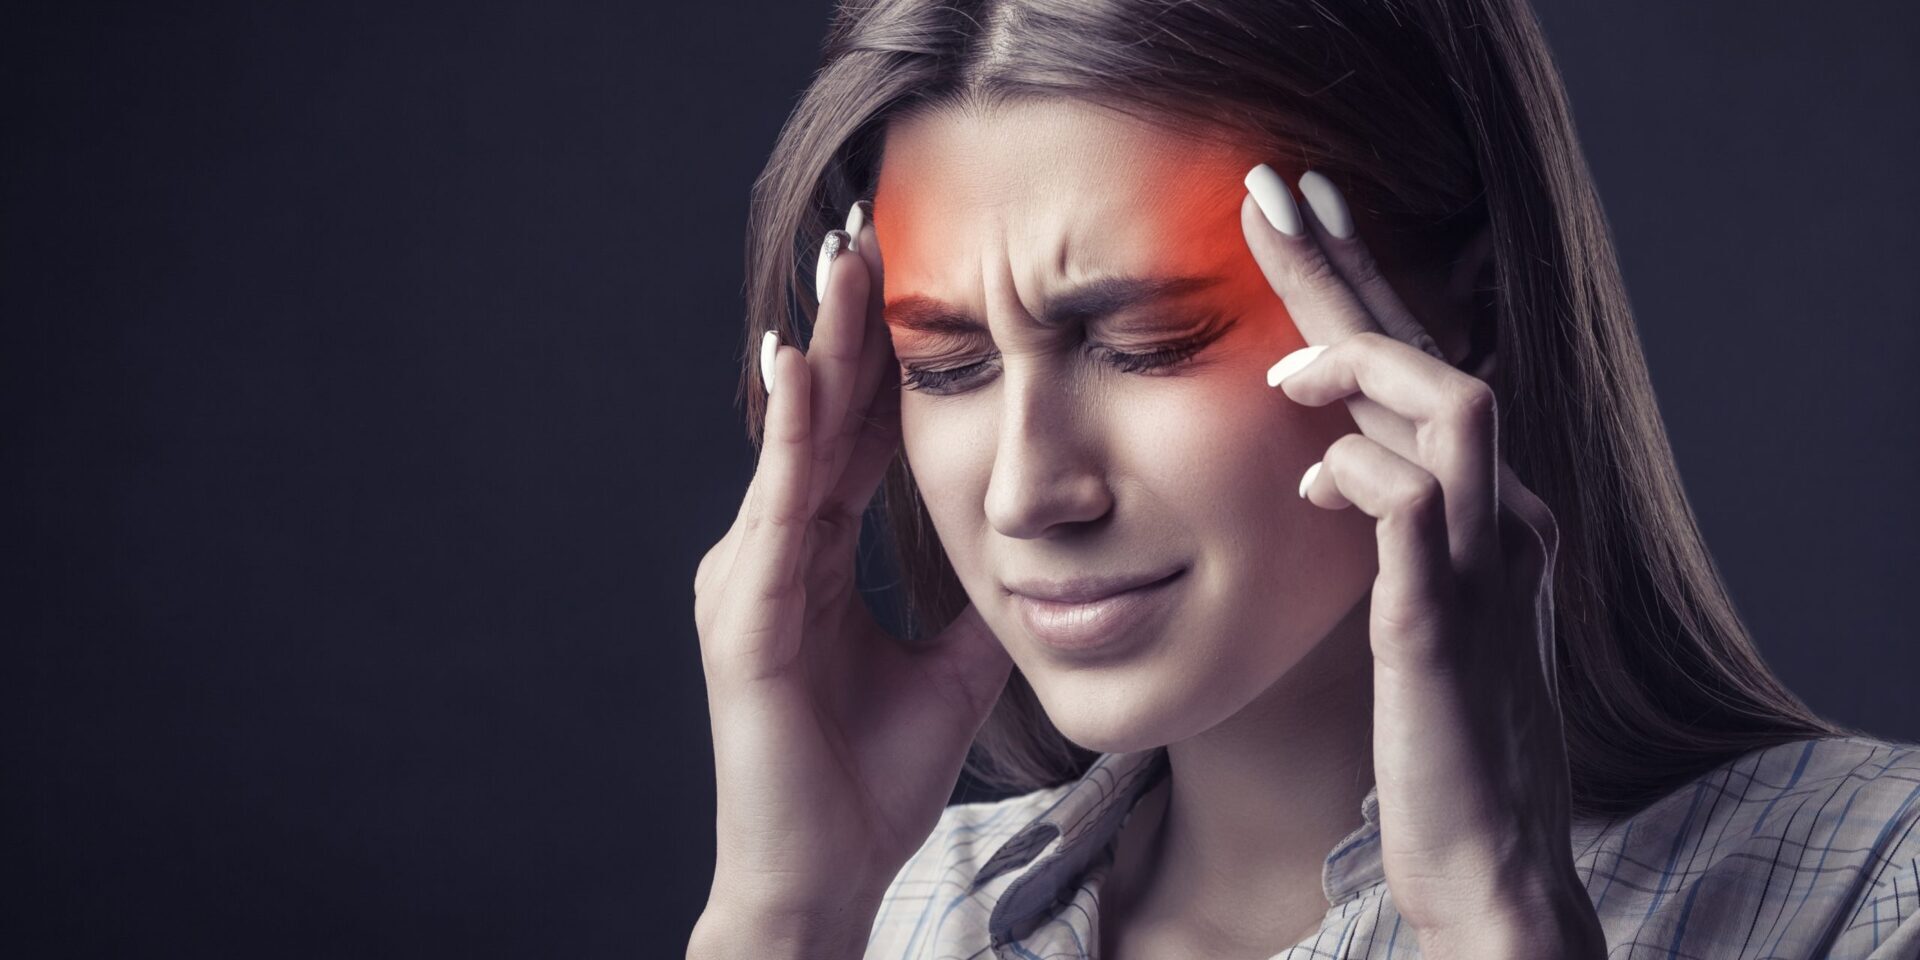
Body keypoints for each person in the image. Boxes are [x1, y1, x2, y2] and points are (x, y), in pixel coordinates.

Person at [688, 1, 1920, 957]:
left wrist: (1499, 915)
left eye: (1149, 343)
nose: (1024, 493)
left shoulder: (1877, 889)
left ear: (1470, 311)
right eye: (945, 365)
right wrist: (783, 922)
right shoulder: (894, 926)